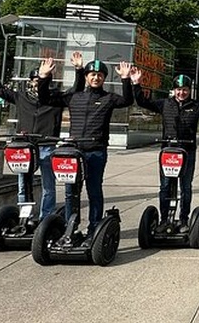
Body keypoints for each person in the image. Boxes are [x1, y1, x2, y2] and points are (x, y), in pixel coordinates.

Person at [37, 57, 133, 244]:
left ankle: (94, 228)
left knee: (94, 190)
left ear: (104, 78)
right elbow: (45, 99)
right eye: (92, 75)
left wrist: (125, 79)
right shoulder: (74, 96)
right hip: (74, 152)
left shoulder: (108, 98)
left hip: (96, 151)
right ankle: (70, 228)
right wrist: (44, 77)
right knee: (71, 191)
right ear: (87, 77)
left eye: (100, 75)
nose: (96, 78)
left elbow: (127, 100)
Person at [0, 51, 85, 220]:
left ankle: (46, 218)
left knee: (48, 187)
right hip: (26, 147)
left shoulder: (56, 98)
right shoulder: (21, 97)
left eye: (41, 80)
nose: (37, 83)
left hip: (47, 146)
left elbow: (76, 90)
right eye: (35, 80)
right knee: (23, 185)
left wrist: (79, 70)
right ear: (30, 81)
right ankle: (25, 216)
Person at [131, 70, 199, 233]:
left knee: (185, 187)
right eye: (178, 89)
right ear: (174, 90)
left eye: (185, 90)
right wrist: (136, 84)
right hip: (168, 151)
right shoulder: (165, 104)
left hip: (187, 151)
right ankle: (164, 219)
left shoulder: (195, 106)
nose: (181, 93)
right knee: (165, 186)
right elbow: (142, 102)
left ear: (189, 90)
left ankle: (184, 219)